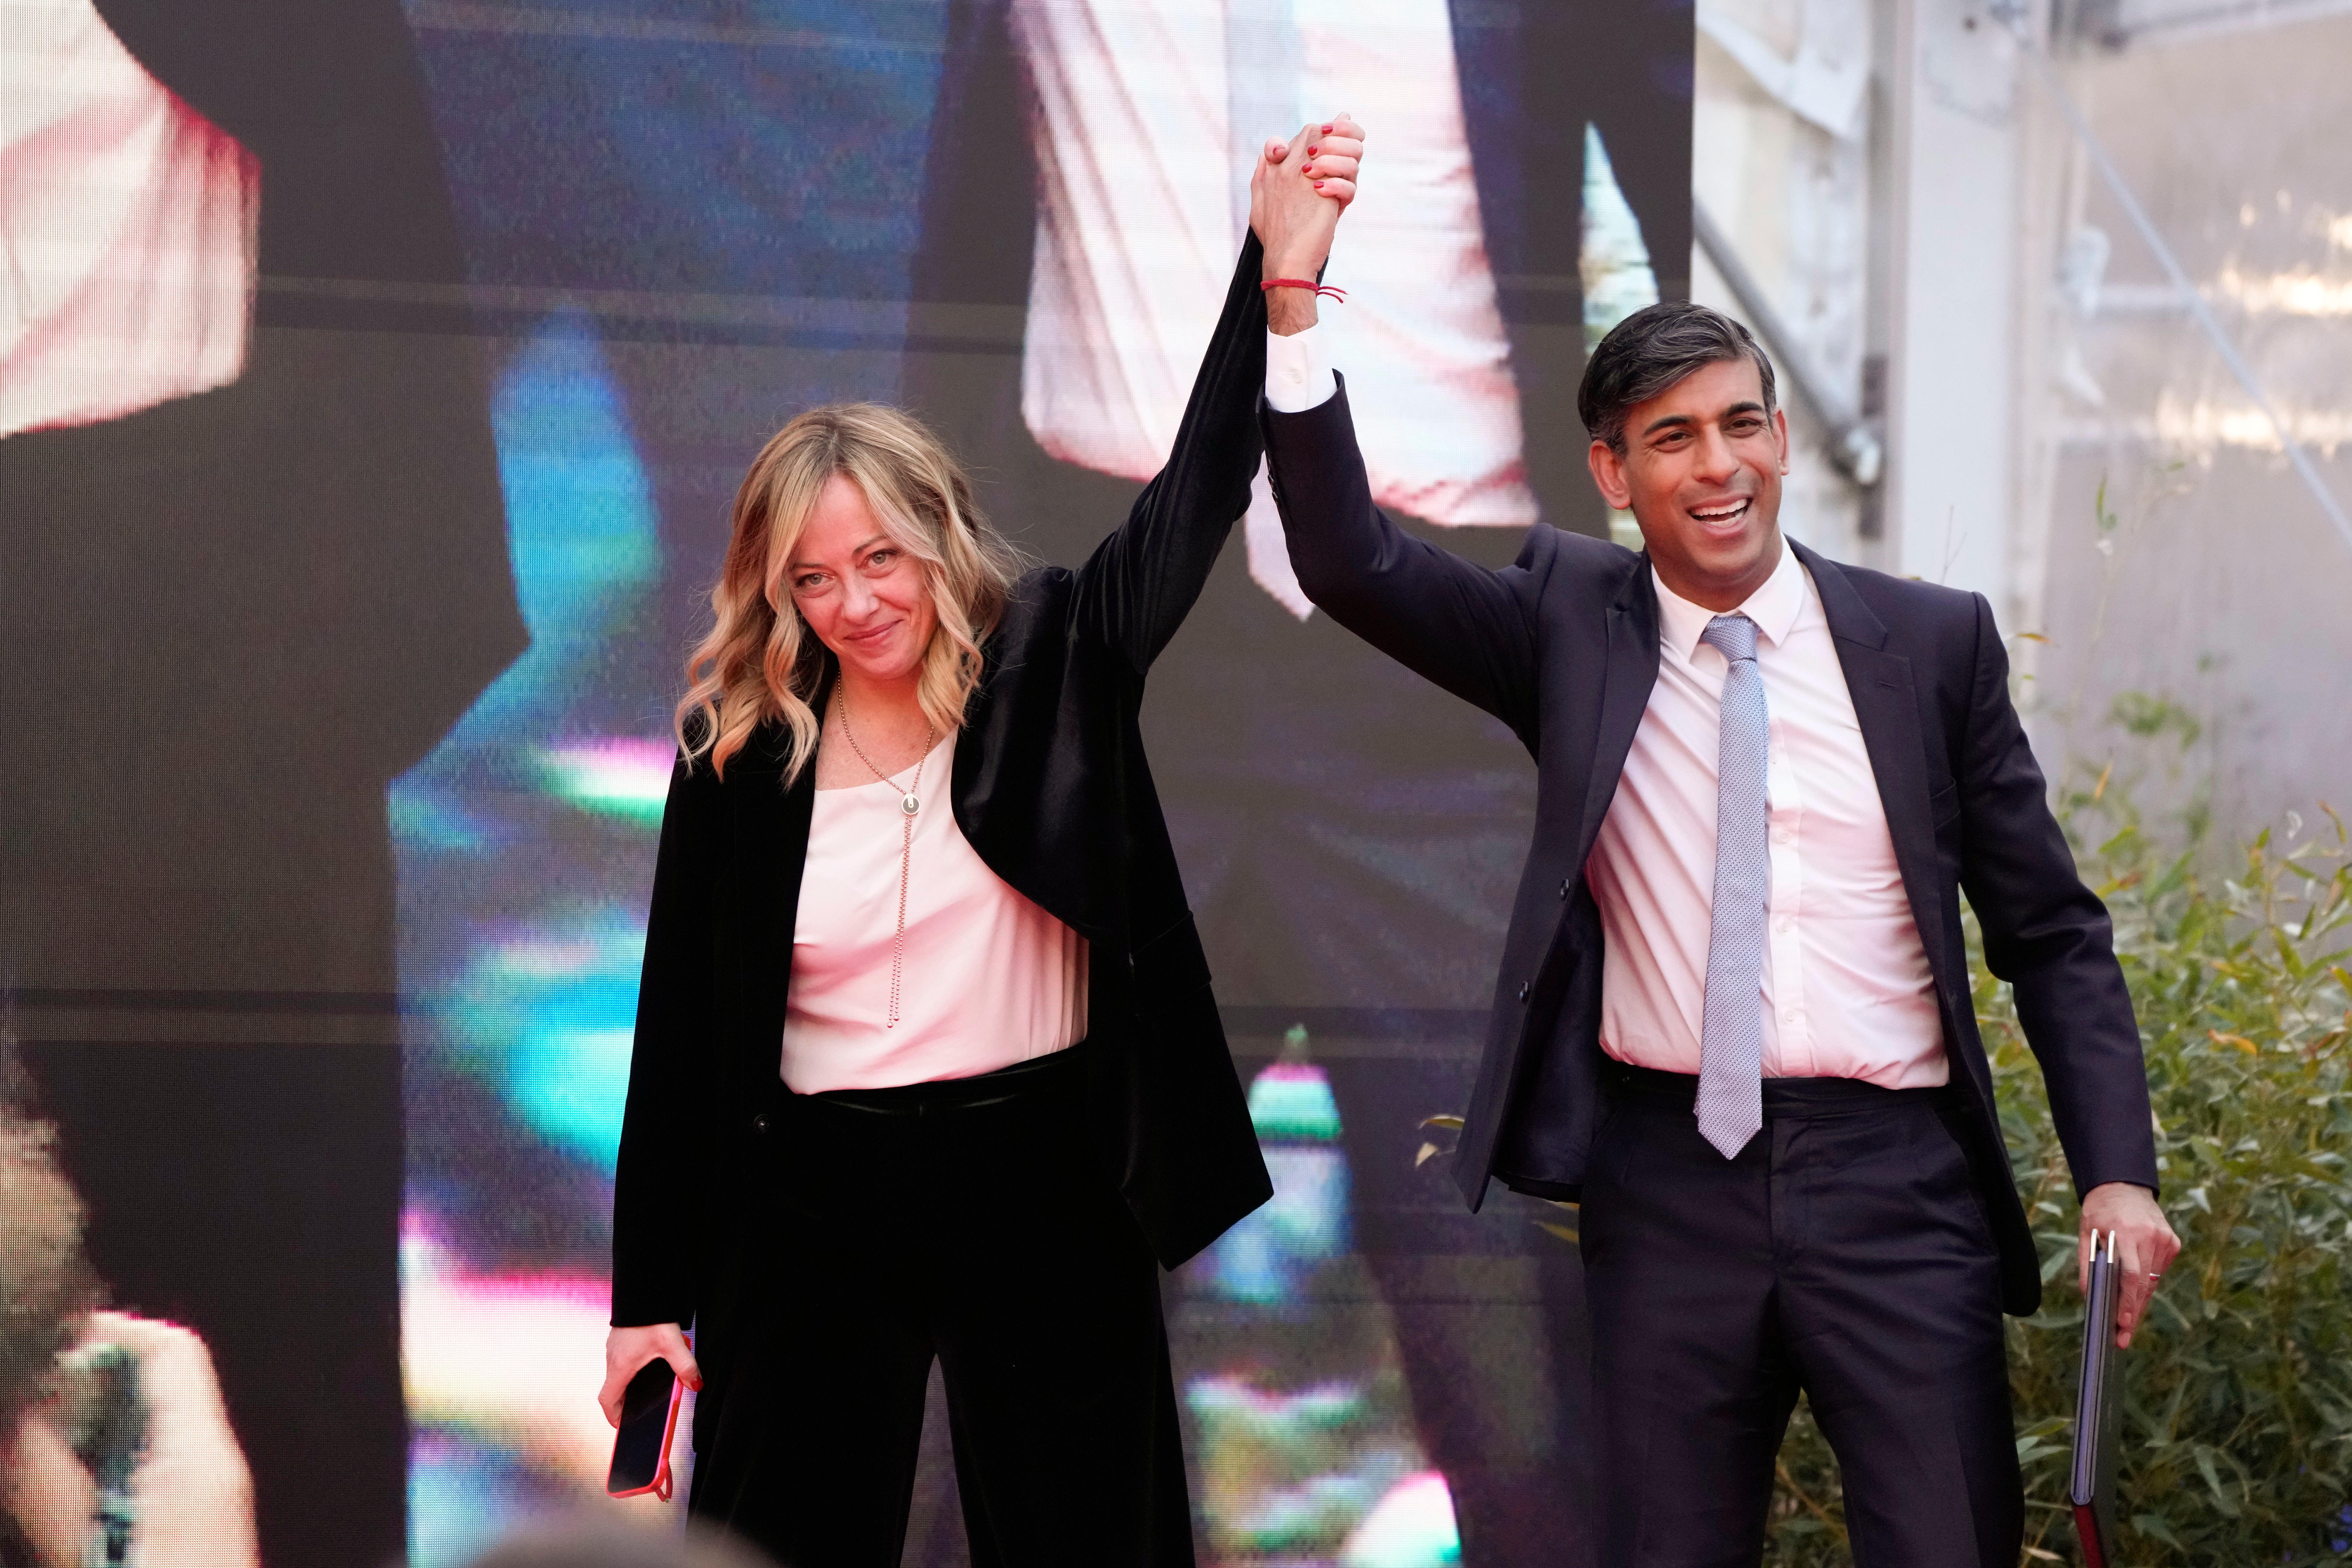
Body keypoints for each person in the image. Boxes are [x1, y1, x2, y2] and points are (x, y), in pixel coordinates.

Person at [1256, 261, 2184, 1556]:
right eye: (1673, 438)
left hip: (1896, 1186)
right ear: (1610, 472)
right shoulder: (1567, 631)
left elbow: (2051, 935)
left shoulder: (1928, 647)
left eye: (1740, 423)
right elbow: (1348, 561)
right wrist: (1293, 306)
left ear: (1783, 437)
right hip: (1668, 1187)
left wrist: (2118, 1176)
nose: (1719, 465)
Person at [597, 119, 1367, 1566]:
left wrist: (1271, 285)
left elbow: (1194, 497)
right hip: (809, 1194)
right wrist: (650, 1296)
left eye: (878, 557)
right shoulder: (737, 753)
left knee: (1089, 1538)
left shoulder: (1061, 651)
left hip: (1042, 1174)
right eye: (811, 576)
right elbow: (680, 1041)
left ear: (940, 537)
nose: (853, 600)